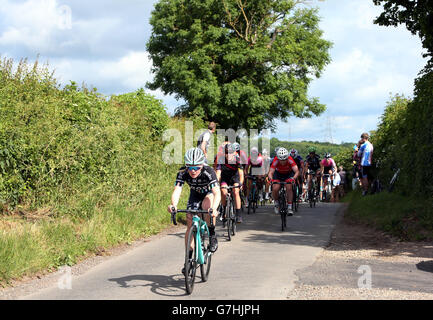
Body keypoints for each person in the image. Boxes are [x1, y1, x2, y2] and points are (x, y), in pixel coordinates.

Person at [168, 148, 221, 274]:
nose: (193, 171)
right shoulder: (182, 172)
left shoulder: (209, 172)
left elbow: (217, 192)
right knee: (190, 222)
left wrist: (214, 208)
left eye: (196, 168)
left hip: (209, 194)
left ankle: (212, 234)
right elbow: (177, 190)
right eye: (190, 167)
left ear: (202, 165)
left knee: (207, 206)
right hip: (195, 194)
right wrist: (173, 205)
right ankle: (188, 259)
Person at [216, 143, 245, 223]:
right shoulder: (221, 159)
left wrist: (241, 184)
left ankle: (238, 215)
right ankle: (224, 210)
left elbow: (241, 174)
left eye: (231, 152)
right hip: (225, 177)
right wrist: (216, 183)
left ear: (234, 152)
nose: (229, 154)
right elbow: (218, 173)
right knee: (223, 192)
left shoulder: (238, 159)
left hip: (235, 177)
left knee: (236, 192)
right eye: (227, 152)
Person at [268, 148, 299, 216]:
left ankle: (290, 207)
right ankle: (276, 203)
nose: (282, 162)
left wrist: (293, 178)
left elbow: (296, 171)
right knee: (275, 187)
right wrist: (271, 180)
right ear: (278, 158)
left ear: (287, 158)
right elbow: (270, 172)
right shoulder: (276, 160)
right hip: (278, 174)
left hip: (288, 174)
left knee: (289, 187)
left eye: (284, 160)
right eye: (281, 160)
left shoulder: (290, 159)